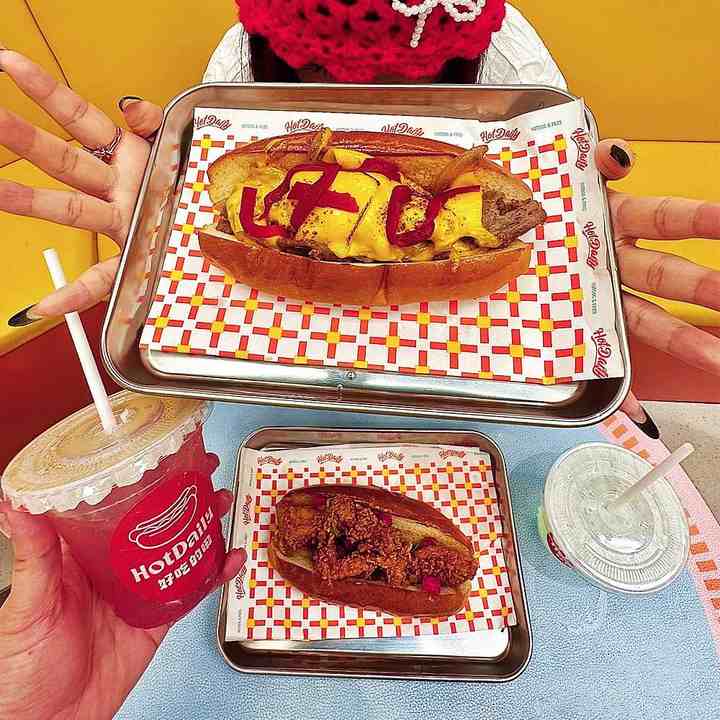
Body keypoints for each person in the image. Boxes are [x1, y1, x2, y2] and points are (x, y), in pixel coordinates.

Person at [0, 2, 719, 717]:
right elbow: (217, 166)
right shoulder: (241, 52)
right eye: (312, 68)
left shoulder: (510, 51)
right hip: (261, 379)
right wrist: (160, 215)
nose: (364, 97)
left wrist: (581, 269)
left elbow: (550, 175)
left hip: (484, 393)